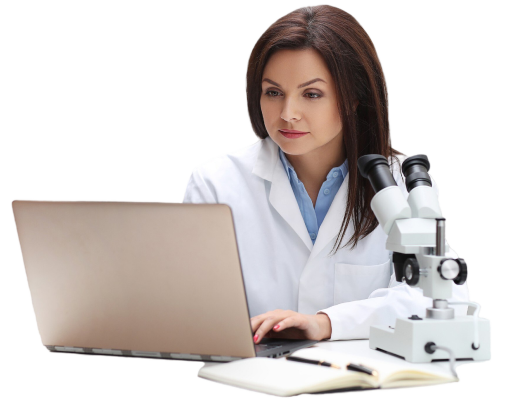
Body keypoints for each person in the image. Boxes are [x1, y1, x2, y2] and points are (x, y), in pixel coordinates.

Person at [182, 4, 469, 343]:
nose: (288, 113)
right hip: (252, 372)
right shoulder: (216, 185)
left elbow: (441, 297)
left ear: (354, 98)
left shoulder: (404, 185)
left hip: (363, 374)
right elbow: (190, 308)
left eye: (312, 94)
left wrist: (327, 323)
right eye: (273, 92)